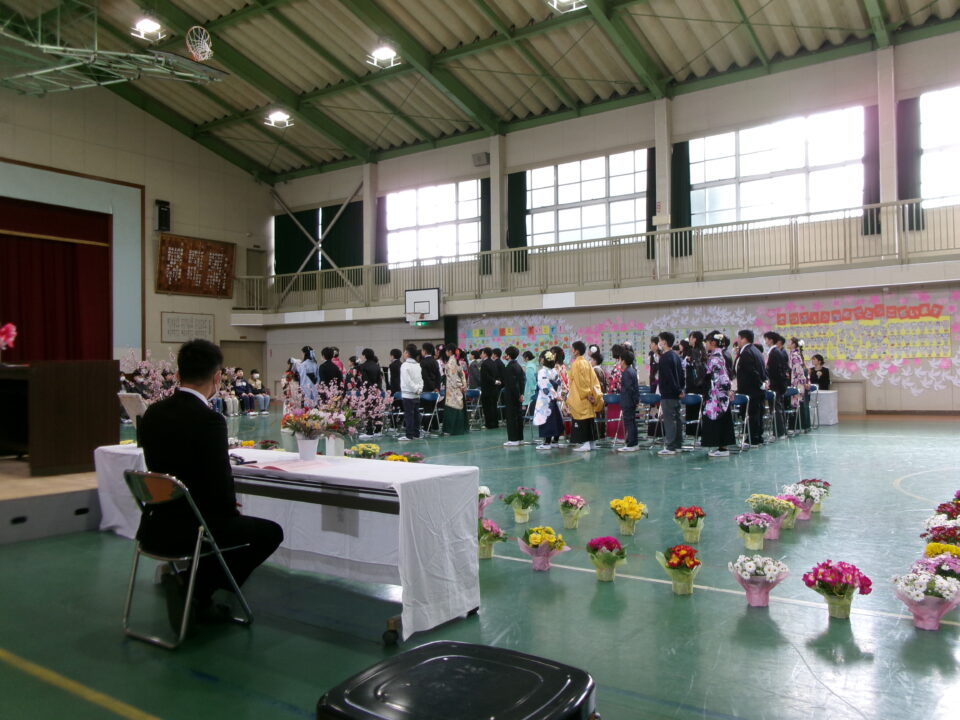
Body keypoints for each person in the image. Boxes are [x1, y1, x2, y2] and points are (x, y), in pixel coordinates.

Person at [138, 340, 283, 630]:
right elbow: (219, 479)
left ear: (178, 374)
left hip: (156, 524)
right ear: (217, 377)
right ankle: (195, 589)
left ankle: (194, 590)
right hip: (195, 527)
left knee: (227, 527)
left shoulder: (153, 413)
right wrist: (231, 510)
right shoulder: (209, 420)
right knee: (269, 533)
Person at [701, 331, 736, 457]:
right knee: (722, 419)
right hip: (719, 394)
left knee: (720, 420)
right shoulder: (719, 355)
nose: (705, 344)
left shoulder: (715, 358)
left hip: (717, 395)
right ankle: (722, 447)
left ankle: (723, 448)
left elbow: (722, 377)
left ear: (713, 343)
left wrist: (726, 388)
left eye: (707, 342)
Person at [567, 341, 603, 452]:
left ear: (576, 351)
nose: (571, 351)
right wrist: (593, 395)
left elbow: (580, 381)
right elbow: (594, 380)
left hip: (580, 397)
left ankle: (586, 443)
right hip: (589, 396)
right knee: (589, 420)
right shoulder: (587, 363)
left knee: (581, 420)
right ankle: (592, 443)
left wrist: (587, 394)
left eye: (573, 349)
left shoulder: (576, 364)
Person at [735, 330, 766, 447]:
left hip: (750, 389)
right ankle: (758, 437)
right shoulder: (756, 350)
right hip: (757, 389)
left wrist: (760, 383)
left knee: (751, 415)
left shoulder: (747, 352)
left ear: (744, 339)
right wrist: (763, 382)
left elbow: (751, 371)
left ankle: (752, 439)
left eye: (739, 338)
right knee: (757, 414)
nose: (738, 340)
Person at [656, 332, 685, 456]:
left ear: (664, 342)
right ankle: (678, 445)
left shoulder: (665, 358)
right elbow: (681, 375)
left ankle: (671, 446)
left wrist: (677, 390)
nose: (659, 343)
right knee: (677, 419)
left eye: (660, 340)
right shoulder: (676, 356)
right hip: (677, 393)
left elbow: (669, 377)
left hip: (669, 393)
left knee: (669, 419)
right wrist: (680, 390)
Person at [533, 351, 563, 450]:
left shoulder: (542, 371)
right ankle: (555, 441)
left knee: (546, 420)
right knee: (555, 419)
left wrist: (553, 395)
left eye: (541, 358)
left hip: (545, 399)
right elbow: (559, 384)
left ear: (543, 359)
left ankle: (547, 443)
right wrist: (557, 395)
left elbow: (544, 385)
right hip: (554, 399)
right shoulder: (554, 371)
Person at [763, 332, 789, 438]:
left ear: (770, 340)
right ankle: (780, 431)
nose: (765, 341)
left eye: (766, 339)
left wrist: (771, 383)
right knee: (777, 407)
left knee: (775, 408)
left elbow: (775, 371)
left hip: (776, 385)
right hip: (777, 384)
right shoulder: (775, 351)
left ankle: (779, 432)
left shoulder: (774, 352)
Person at [616, 349, 641, 452]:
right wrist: (636, 400)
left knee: (629, 423)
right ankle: (634, 443)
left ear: (623, 361)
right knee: (632, 422)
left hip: (628, 401)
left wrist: (633, 400)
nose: (619, 362)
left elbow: (629, 389)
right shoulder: (632, 371)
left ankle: (631, 444)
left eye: (620, 360)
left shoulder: (627, 373)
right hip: (631, 401)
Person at [501, 346, 526, 446]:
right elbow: (522, 382)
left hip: (512, 396)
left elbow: (512, 384)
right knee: (518, 417)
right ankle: (520, 438)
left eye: (506, 354)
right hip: (518, 395)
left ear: (508, 355)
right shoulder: (518, 366)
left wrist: (517, 395)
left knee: (511, 417)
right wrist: (521, 394)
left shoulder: (509, 367)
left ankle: (513, 439)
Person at [399, 344, 423, 441]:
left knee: (409, 415)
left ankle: (409, 435)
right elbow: (421, 380)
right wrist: (419, 389)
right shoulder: (418, 365)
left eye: (405, 352)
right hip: (416, 394)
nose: (403, 353)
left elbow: (407, 381)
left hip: (408, 394)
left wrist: (415, 389)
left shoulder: (405, 365)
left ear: (408, 354)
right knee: (416, 414)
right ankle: (416, 434)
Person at [787, 337, 811, 432]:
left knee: (797, 403)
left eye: (790, 342)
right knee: (800, 403)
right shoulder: (796, 354)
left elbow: (798, 370)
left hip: (797, 382)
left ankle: (798, 426)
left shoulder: (794, 355)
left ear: (794, 344)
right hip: (797, 381)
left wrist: (803, 382)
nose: (788, 343)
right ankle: (803, 426)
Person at [443, 345, 468, 436]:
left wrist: (459, 386)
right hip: (458, 388)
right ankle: (460, 428)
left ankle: (453, 429)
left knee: (453, 407)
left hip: (453, 388)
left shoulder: (451, 362)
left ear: (450, 351)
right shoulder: (457, 361)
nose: (446, 352)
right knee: (458, 406)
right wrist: (464, 385)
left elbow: (453, 378)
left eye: (446, 351)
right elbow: (462, 375)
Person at [479, 347, 501, 429]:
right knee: (494, 406)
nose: (481, 355)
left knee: (487, 407)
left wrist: (494, 381)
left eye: (482, 353)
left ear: (485, 354)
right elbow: (497, 374)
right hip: (494, 389)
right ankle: (495, 423)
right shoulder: (493, 362)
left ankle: (489, 424)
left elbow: (485, 377)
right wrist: (496, 381)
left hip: (487, 389)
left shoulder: (484, 364)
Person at [589, 351, 607, 438]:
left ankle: (598, 433)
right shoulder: (600, 370)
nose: (590, 361)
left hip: (597, 397)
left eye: (591, 359)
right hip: (600, 396)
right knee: (600, 415)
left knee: (597, 415)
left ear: (595, 361)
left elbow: (596, 386)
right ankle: (600, 433)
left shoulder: (595, 370)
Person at [522, 350, 537, 416]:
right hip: (531, 386)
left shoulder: (529, 366)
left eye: (524, 357)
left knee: (529, 403)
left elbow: (530, 379)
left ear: (527, 358)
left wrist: (533, 388)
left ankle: (529, 418)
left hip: (530, 387)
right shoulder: (532, 364)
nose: (523, 359)